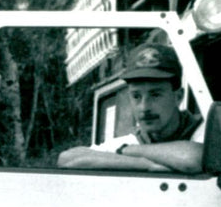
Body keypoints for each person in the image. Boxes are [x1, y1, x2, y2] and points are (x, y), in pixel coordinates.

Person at [57, 43, 204, 173]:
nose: (144, 107)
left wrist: (124, 151)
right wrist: (144, 164)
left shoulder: (201, 131)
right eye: (136, 96)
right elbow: (66, 159)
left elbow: (193, 158)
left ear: (178, 97)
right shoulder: (131, 141)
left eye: (155, 95)